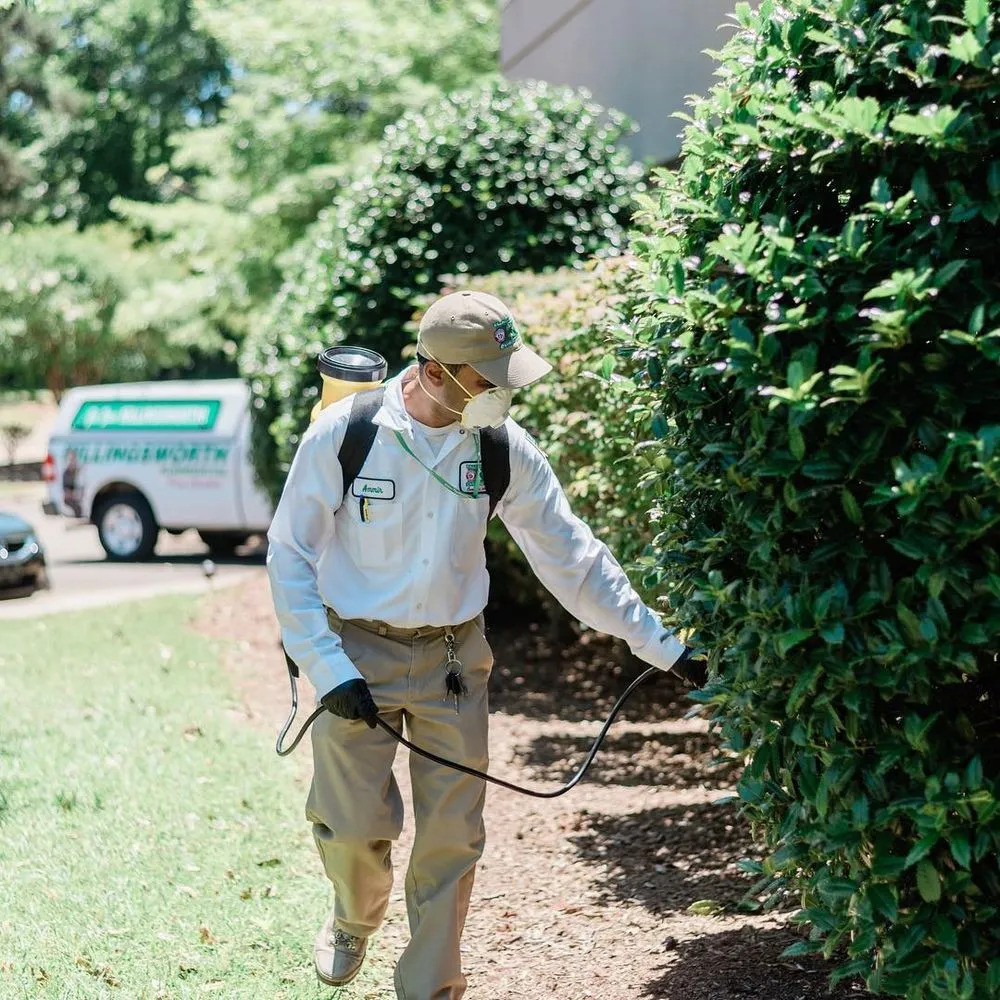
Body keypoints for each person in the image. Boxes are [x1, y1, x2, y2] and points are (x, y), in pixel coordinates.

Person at [266, 290, 696, 1000]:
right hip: (355, 652)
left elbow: (574, 558)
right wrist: (325, 663)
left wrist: (663, 645)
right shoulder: (346, 436)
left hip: (453, 661)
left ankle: (430, 987)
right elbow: (289, 555)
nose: (502, 392)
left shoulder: (500, 447)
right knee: (350, 828)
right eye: (488, 378)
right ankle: (353, 916)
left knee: (453, 838)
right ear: (437, 373)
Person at [62, 449, 83, 517]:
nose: (73, 462)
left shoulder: (77, 472)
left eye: (74, 459)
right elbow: (67, 492)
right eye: (71, 459)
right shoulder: (67, 473)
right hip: (71, 500)